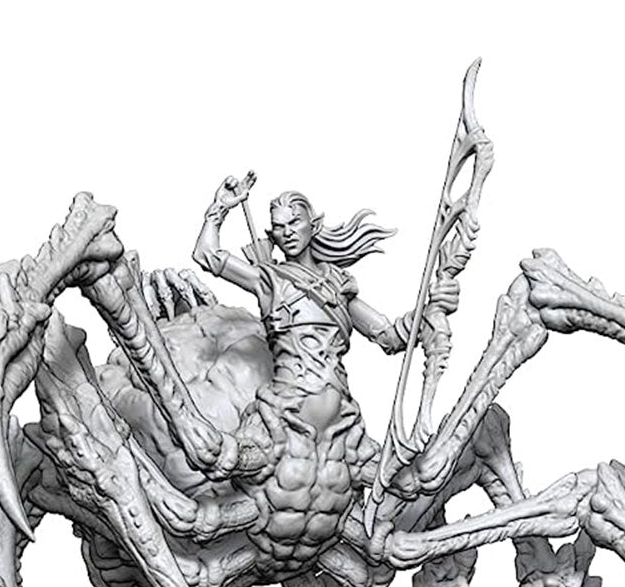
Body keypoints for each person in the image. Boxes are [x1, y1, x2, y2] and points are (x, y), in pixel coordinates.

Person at [191, 172, 457, 437]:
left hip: (341, 418)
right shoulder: (268, 281)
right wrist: (220, 208)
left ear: (313, 225)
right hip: (286, 411)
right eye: (280, 227)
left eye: (295, 222)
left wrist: (432, 307)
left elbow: (392, 338)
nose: (288, 232)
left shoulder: (337, 285)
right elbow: (206, 254)